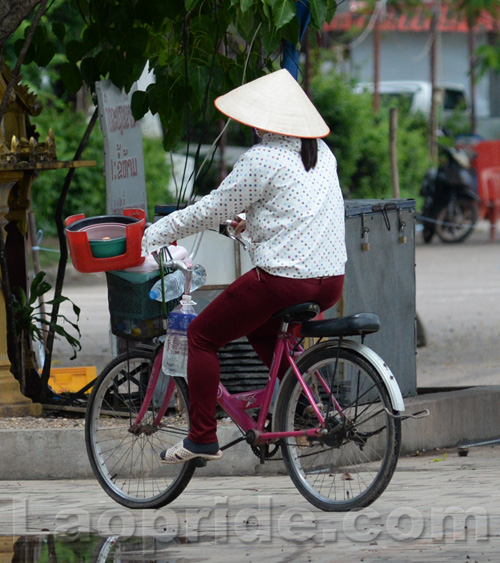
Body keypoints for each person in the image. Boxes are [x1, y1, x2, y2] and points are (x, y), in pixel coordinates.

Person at [141, 68, 347, 464]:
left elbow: (211, 208)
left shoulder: (262, 158)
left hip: (286, 282)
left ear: (262, 122)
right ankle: (298, 404)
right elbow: (294, 214)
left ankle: (202, 438)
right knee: (264, 331)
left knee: (202, 337)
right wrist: (249, 225)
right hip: (330, 280)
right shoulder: (321, 153)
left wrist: (158, 231)